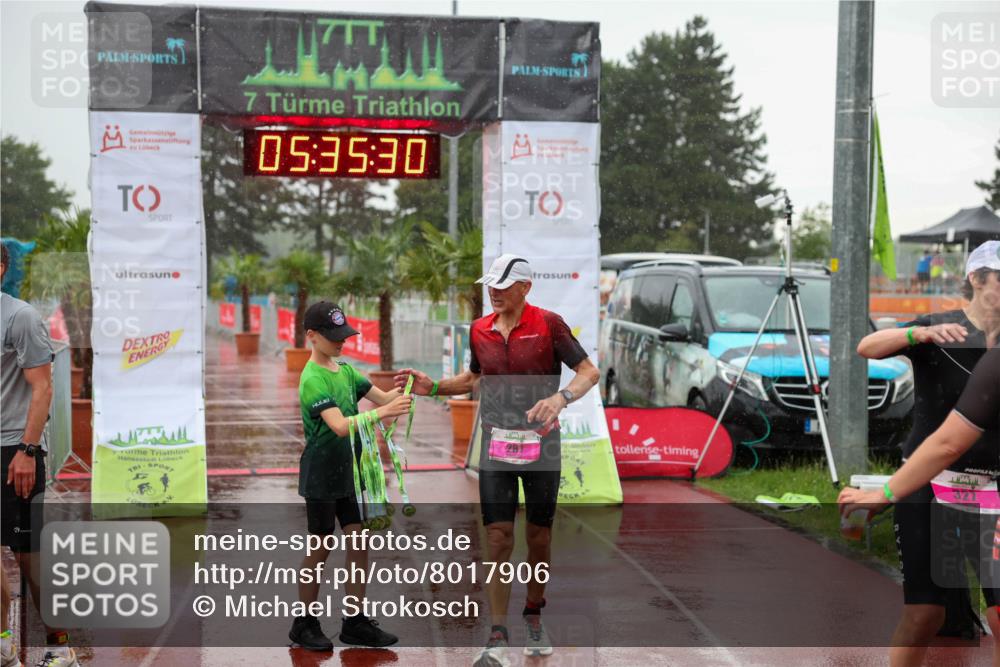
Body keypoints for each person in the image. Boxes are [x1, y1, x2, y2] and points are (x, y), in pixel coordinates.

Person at [394, 254, 600, 666]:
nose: (494, 292)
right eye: (491, 285)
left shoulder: (549, 324)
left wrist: (560, 399)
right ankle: (498, 634)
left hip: (542, 445)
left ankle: (534, 614)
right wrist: (432, 386)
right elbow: (471, 379)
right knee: (498, 539)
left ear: (525, 288)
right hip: (496, 446)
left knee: (538, 539)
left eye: (503, 286)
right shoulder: (479, 330)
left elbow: (588, 372)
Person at [852, 240, 1000, 666]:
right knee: (925, 614)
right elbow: (867, 347)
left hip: (990, 491)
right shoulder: (941, 327)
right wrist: (918, 333)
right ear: (976, 278)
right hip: (929, 486)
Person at [288, 301, 412, 652]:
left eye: (343, 335)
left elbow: (384, 397)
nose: (341, 342)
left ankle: (354, 621)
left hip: (350, 473)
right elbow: (340, 426)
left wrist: (409, 389)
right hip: (322, 475)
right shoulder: (312, 379)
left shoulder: (346, 370)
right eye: (333, 337)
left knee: (359, 540)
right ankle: (304, 621)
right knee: (321, 546)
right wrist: (384, 411)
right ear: (311, 336)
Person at [1, 243, 77, 667]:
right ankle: (3, 639)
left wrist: (27, 450)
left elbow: (43, 387)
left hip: (15, 449)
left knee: (29, 556)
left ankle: (60, 642)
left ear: (0, 269)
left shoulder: (21, 317)